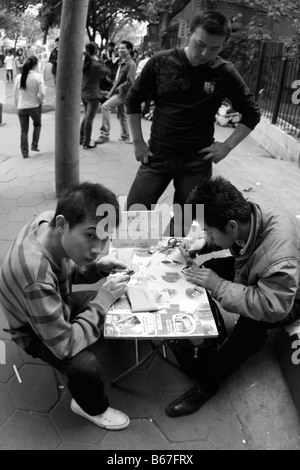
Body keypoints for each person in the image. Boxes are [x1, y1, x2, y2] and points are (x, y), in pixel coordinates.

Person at [164, 176, 300, 418]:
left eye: (208, 231)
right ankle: (210, 334)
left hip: (287, 297)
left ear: (232, 227)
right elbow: (233, 243)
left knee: (249, 331)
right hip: (255, 268)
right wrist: (203, 244)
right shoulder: (247, 210)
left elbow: (273, 305)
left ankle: (208, 382)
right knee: (211, 268)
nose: (207, 234)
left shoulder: (281, 260)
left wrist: (218, 286)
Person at [0, 182, 131, 430]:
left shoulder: (49, 221)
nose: (97, 249)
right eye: (91, 235)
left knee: (110, 303)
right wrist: (102, 301)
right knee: (86, 366)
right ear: (63, 225)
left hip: (56, 303)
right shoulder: (34, 274)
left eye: (105, 238)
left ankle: (89, 322)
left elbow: (67, 270)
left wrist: (97, 268)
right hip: (31, 330)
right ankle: (91, 407)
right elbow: (64, 346)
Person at [125, 11, 260, 235]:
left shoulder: (225, 73)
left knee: (182, 223)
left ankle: (166, 265)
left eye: (215, 48)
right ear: (189, 33)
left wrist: (226, 147)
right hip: (157, 156)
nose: (205, 53)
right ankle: (131, 266)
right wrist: (137, 141)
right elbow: (132, 99)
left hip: (197, 163)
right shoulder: (161, 62)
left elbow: (252, 113)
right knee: (134, 215)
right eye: (200, 44)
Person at [95, 40, 136, 144]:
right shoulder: (121, 62)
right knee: (122, 115)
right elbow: (120, 78)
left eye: (123, 48)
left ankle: (104, 134)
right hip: (118, 91)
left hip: (123, 93)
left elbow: (130, 82)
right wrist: (113, 82)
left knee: (105, 106)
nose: (120, 50)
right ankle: (125, 136)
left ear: (129, 50)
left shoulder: (131, 64)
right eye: (119, 48)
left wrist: (118, 88)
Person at [13, 56, 46, 159]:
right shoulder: (38, 76)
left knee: (24, 130)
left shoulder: (19, 77)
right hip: (34, 105)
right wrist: (41, 101)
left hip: (22, 106)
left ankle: (24, 153)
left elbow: (15, 93)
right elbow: (42, 93)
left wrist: (17, 104)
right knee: (37, 125)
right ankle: (34, 144)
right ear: (35, 65)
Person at [80, 42, 111, 149]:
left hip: (84, 93)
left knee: (86, 117)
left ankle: (81, 138)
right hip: (93, 94)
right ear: (96, 51)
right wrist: (101, 61)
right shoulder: (96, 64)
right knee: (89, 118)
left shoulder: (84, 62)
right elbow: (107, 72)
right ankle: (86, 142)